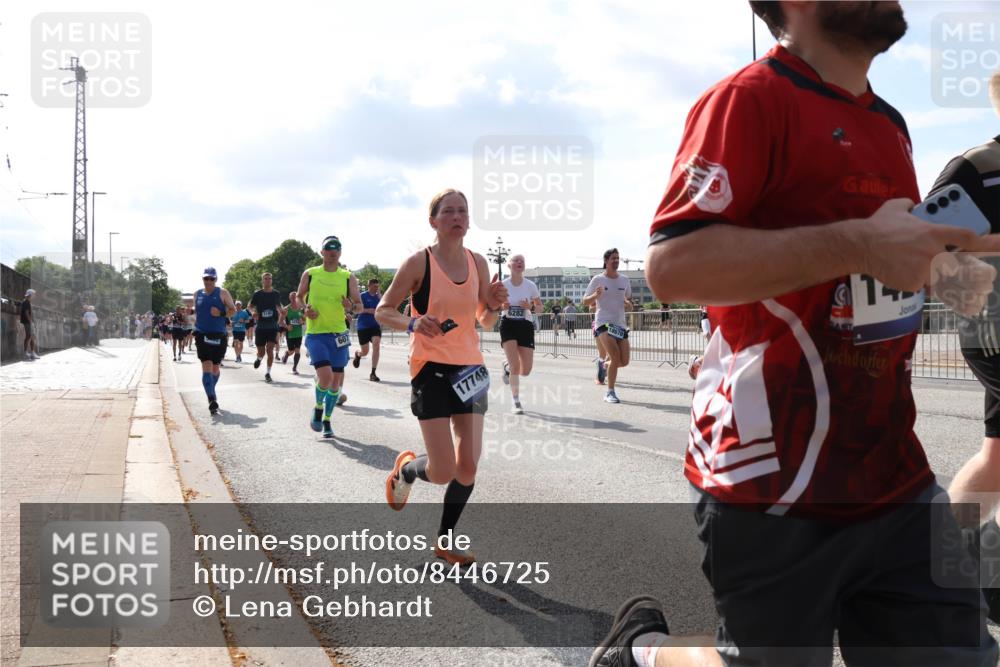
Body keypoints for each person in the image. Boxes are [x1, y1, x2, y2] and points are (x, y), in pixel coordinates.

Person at [593, 4, 1000, 666]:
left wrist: (961, 276)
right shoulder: (748, 101)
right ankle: (641, 651)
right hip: (771, 480)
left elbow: (896, 270)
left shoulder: (889, 124)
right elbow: (673, 266)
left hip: (892, 472)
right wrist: (859, 242)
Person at [377, 189, 507, 566]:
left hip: (469, 368)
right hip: (430, 369)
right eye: (448, 211)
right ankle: (406, 470)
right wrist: (414, 321)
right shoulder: (419, 263)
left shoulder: (478, 263)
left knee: (468, 465)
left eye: (463, 211)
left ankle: (446, 541)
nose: (457, 216)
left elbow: (484, 319)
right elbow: (384, 311)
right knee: (443, 469)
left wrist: (495, 304)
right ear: (433, 221)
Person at [933, 68, 1000, 622]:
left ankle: (951, 565)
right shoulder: (975, 169)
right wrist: (979, 312)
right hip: (995, 334)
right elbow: (928, 251)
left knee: (997, 457)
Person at [297, 236, 361, 438]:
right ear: (322, 251)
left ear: (340, 252)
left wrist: (350, 307)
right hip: (317, 334)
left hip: (339, 335)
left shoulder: (347, 277)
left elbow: (358, 305)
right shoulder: (311, 274)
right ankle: (317, 408)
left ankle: (327, 420)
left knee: (336, 383)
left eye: (337, 248)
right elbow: (298, 298)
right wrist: (305, 310)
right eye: (329, 248)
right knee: (326, 377)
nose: (333, 251)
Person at [583, 249, 632, 403]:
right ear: (606, 261)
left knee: (624, 361)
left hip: (620, 324)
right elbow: (585, 302)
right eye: (613, 258)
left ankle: (605, 365)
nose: (616, 261)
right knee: (616, 357)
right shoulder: (598, 279)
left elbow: (627, 299)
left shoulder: (624, 280)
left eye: (618, 258)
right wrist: (595, 296)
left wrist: (628, 304)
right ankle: (610, 393)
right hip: (603, 323)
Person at [499, 254, 542, 414]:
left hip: (525, 325)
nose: (519, 263)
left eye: (522, 261)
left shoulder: (530, 285)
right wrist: (502, 306)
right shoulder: (502, 285)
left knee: (525, 370)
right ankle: (516, 401)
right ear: (509, 265)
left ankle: (506, 366)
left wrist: (530, 306)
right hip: (508, 324)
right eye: (515, 260)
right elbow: (494, 307)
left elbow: (540, 308)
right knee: (515, 366)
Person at [194, 267, 236, 414]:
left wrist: (221, 313)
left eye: (212, 279)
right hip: (202, 334)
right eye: (206, 278)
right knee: (206, 364)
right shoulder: (197, 294)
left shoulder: (223, 293)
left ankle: (210, 388)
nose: (209, 281)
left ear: (216, 279)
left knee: (215, 369)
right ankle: (212, 399)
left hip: (219, 335)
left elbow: (233, 310)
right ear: (203, 279)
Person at [249, 273, 285, 383]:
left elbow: (279, 306)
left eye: (270, 279)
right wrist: (253, 312)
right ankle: (259, 359)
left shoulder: (276, 293)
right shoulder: (257, 294)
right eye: (266, 279)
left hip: (272, 326)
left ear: (271, 280)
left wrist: (282, 312)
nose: (268, 280)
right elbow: (249, 306)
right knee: (261, 352)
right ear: (262, 281)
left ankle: (268, 373)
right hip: (261, 327)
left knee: (270, 350)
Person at [352, 278, 384, 381]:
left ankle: (373, 373)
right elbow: (356, 310)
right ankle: (358, 354)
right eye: (375, 286)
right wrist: (367, 310)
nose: (376, 288)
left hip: (375, 325)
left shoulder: (379, 297)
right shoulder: (362, 296)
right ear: (369, 286)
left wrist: (380, 296)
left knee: (376, 344)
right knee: (365, 352)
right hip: (363, 326)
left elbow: (386, 306)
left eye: (378, 287)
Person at [282, 291, 305, 374]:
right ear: (289, 298)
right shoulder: (286, 309)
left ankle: (294, 368)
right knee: (291, 351)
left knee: (297, 350)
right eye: (292, 297)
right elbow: (280, 321)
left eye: (295, 297)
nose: (293, 299)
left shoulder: (301, 309)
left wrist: (302, 321)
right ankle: (287, 354)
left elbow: (304, 319)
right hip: (290, 333)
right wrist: (287, 326)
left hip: (298, 333)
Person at [20, 289, 39, 360]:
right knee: (29, 336)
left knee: (31, 336)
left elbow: (29, 313)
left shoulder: (28, 302)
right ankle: (26, 353)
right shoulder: (26, 302)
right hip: (27, 322)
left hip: (29, 322)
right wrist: (31, 322)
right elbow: (26, 313)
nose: (34, 296)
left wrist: (33, 321)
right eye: (33, 294)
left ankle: (32, 353)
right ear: (30, 295)